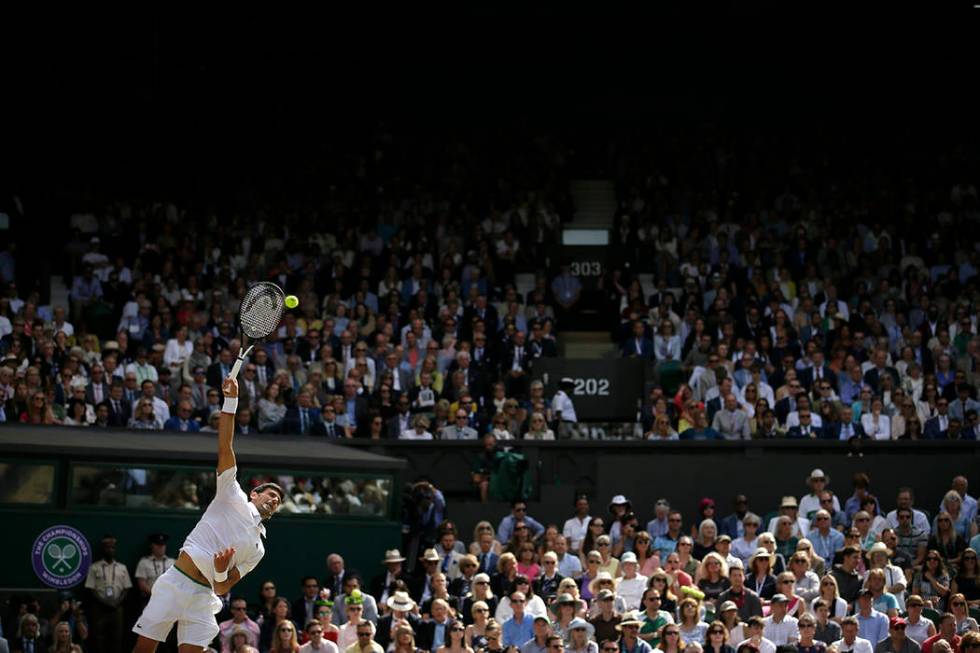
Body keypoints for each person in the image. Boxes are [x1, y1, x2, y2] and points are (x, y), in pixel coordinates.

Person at [132, 376, 285, 652]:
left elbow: (223, 588)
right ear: (254, 494)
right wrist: (231, 401)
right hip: (177, 581)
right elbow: (225, 446)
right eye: (270, 494)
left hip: (204, 597)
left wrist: (219, 570)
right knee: (144, 648)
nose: (274, 500)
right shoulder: (231, 493)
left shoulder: (258, 549)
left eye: (278, 500)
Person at [84, 534, 132, 653]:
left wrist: (116, 602)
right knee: (98, 638)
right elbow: (91, 589)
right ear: (103, 549)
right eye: (107, 547)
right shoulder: (94, 567)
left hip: (117, 607)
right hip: (99, 607)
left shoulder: (122, 568)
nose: (110, 550)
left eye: (112, 548)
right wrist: (105, 602)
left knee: (117, 638)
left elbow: (126, 588)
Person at [135, 533, 175, 605]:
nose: (160, 547)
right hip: (149, 600)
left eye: (162, 545)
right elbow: (142, 584)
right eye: (158, 545)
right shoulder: (144, 562)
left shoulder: (172, 562)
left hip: (168, 601)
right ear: (152, 546)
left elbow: (176, 582)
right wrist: (156, 595)